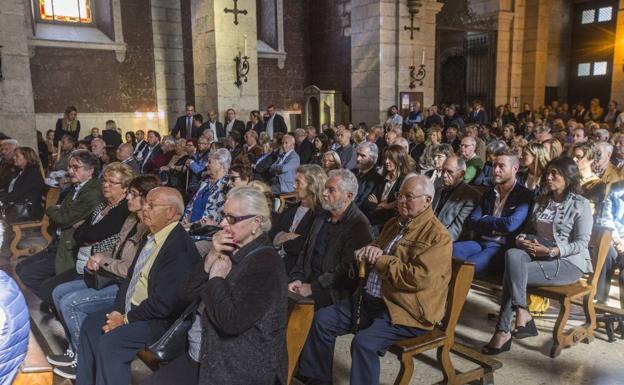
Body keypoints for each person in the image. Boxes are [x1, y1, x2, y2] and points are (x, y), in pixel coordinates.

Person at [297, 174, 452, 385]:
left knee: (364, 343)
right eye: (400, 195)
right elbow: (373, 252)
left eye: (409, 196)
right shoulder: (394, 224)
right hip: (370, 300)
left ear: (427, 200)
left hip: (403, 311)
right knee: (322, 320)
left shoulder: (438, 237)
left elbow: (419, 278)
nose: (401, 201)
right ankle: (317, 381)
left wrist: (380, 260)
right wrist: (364, 253)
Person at [141, 187, 287, 385]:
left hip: (235, 367)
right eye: (223, 216)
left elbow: (232, 322)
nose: (222, 224)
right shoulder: (229, 248)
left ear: (256, 222)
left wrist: (216, 279)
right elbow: (184, 294)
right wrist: (210, 258)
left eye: (232, 219)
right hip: (203, 355)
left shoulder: (266, 263)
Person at [76, 187, 201, 385]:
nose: (144, 209)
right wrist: (118, 311)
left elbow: (164, 304)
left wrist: (125, 319)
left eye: (151, 205)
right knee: (91, 325)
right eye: (145, 204)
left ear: (170, 213)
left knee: (111, 344)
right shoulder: (152, 235)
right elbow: (130, 279)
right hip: (133, 309)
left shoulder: (179, 248)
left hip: (158, 320)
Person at [482, 157, 593, 355]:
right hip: (539, 254)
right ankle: (523, 312)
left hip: (567, 262)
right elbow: (529, 229)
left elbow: (581, 243)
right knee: (513, 253)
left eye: (555, 174)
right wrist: (522, 239)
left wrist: (553, 251)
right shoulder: (542, 200)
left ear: (568, 177)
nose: (549, 177)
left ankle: (503, 331)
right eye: (548, 173)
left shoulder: (581, 205)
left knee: (512, 273)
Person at [47, 165, 141, 379]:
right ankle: (74, 350)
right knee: (57, 292)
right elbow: (82, 232)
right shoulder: (108, 208)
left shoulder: (129, 215)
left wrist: (101, 256)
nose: (105, 185)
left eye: (111, 182)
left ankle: (82, 359)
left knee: (70, 301)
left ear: (126, 189)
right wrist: (88, 237)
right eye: (104, 181)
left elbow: (97, 236)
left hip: (117, 280)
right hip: (103, 269)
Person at [16, 150, 104, 307]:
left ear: (89, 171)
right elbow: (64, 214)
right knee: (21, 267)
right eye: (70, 167)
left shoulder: (93, 192)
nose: (70, 171)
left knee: (28, 274)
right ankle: (51, 298)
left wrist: (51, 209)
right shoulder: (77, 186)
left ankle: (52, 301)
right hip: (58, 241)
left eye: (75, 167)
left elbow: (64, 217)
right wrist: (60, 212)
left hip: (68, 248)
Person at [288, 169, 373, 309]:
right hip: (307, 280)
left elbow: (347, 271)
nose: (324, 193)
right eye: (325, 188)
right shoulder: (321, 215)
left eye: (331, 190)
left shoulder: (359, 225)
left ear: (348, 196)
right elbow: (305, 251)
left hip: (332, 290)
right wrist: (297, 278)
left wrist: (313, 287)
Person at [452, 150, 533, 276]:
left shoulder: (524, 195)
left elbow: (510, 225)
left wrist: (486, 219)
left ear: (515, 168)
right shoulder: (489, 193)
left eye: (501, 166)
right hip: (479, 241)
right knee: (449, 253)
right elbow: (472, 221)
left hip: (499, 247)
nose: (495, 170)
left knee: (467, 269)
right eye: (494, 165)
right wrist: (494, 226)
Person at [270, 164, 326, 273]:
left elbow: (304, 246)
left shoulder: (320, 215)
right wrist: (287, 236)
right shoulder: (291, 208)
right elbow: (272, 232)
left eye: (298, 182)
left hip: (296, 271)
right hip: (278, 263)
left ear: (312, 186)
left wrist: (281, 238)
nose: (294, 186)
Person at [432, 156, 481, 241]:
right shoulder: (437, 190)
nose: (444, 175)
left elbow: (456, 231)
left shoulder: (470, 196)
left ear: (461, 174)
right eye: (443, 171)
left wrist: (433, 240)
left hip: (443, 240)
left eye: (450, 172)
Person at [183, 148, 230, 229]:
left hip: (205, 231)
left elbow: (216, 217)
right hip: (189, 226)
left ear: (220, 165)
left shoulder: (226, 185)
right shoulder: (205, 181)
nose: (206, 165)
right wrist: (186, 220)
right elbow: (193, 205)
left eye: (210, 162)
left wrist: (191, 226)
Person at [367, 145, 411, 227]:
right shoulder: (381, 179)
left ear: (400, 161)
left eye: (390, 158)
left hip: (391, 224)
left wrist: (385, 206)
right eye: (385, 158)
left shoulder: (404, 181)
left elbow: (400, 205)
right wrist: (383, 206)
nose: (386, 161)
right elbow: (369, 202)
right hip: (375, 220)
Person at [0, 147, 45, 221]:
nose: (14, 158)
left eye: (17, 156)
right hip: (18, 205)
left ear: (27, 158)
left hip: (26, 210)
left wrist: (2, 199)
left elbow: (17, 194)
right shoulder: (22, 171)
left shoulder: (32, 174)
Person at [352, 142, 384, 216]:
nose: (358, 158)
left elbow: (363, 203)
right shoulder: (351, 172)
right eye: (357, 154)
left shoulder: (377, 180)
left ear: (372, 159)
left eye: (363, 156)